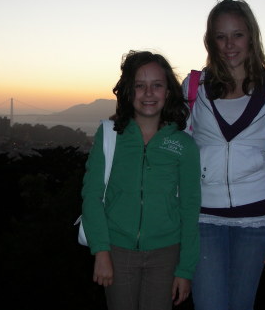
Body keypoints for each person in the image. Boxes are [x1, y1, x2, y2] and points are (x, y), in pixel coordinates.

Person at [181, 0, 265, 310]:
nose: (229, 45)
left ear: (252, 37)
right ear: (210, 41)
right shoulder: (195, 87)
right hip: (204, 217)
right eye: (220, 36)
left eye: (238, 35)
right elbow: (179, 152)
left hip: (258, 220)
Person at [81, 50, 201, 310]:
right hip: (117, 250)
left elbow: (191, 209)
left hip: (167, 253)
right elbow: (92, 197)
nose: (149, 93)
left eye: (157, 85)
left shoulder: (184, 145)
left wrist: (185, 270)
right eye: (140, 85)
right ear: (128, 91)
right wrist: (101, 252)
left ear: (168, 91)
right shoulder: (109, 135)